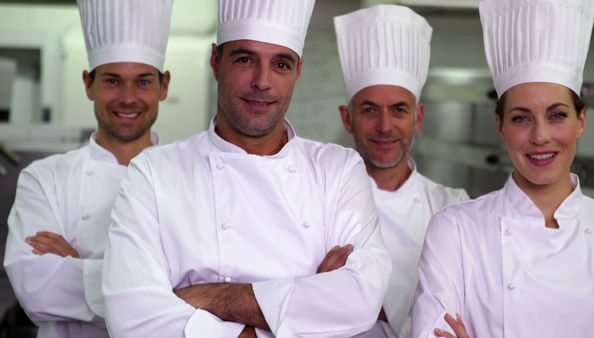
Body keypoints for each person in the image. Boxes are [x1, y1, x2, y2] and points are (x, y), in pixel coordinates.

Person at [101, 0, 392, 337]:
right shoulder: (154, 173)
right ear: (215, 61)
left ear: (298, 70)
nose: (262, 81)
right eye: (244, 59)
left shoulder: (338, 169)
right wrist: (306, 297)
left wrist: (208, 297)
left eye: (281, 64)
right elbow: (131, 317)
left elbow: (360, 301)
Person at [410, 0, 594, 337]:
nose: (540, 136)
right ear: (500, 126)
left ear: (581, 121)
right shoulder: (456, 230)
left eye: (557, 115)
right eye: (521, 118)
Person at [3, 0, 172, 337]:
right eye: (112, 81)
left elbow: (205, 292)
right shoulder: (45, 178)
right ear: (88, 84)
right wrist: (158, 287)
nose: (127, 97)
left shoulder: (187, 176)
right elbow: (35, 288)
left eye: (142, 82)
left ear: (163, 86)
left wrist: (76, 268)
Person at [334, 5, 468, 338]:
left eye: (398, 110)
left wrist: (352, 292)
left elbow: (461, 312)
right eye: (369, 110)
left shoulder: (453, 208)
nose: (384, 126)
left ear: (418, 118)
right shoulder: (320, 199)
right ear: (347, 118)